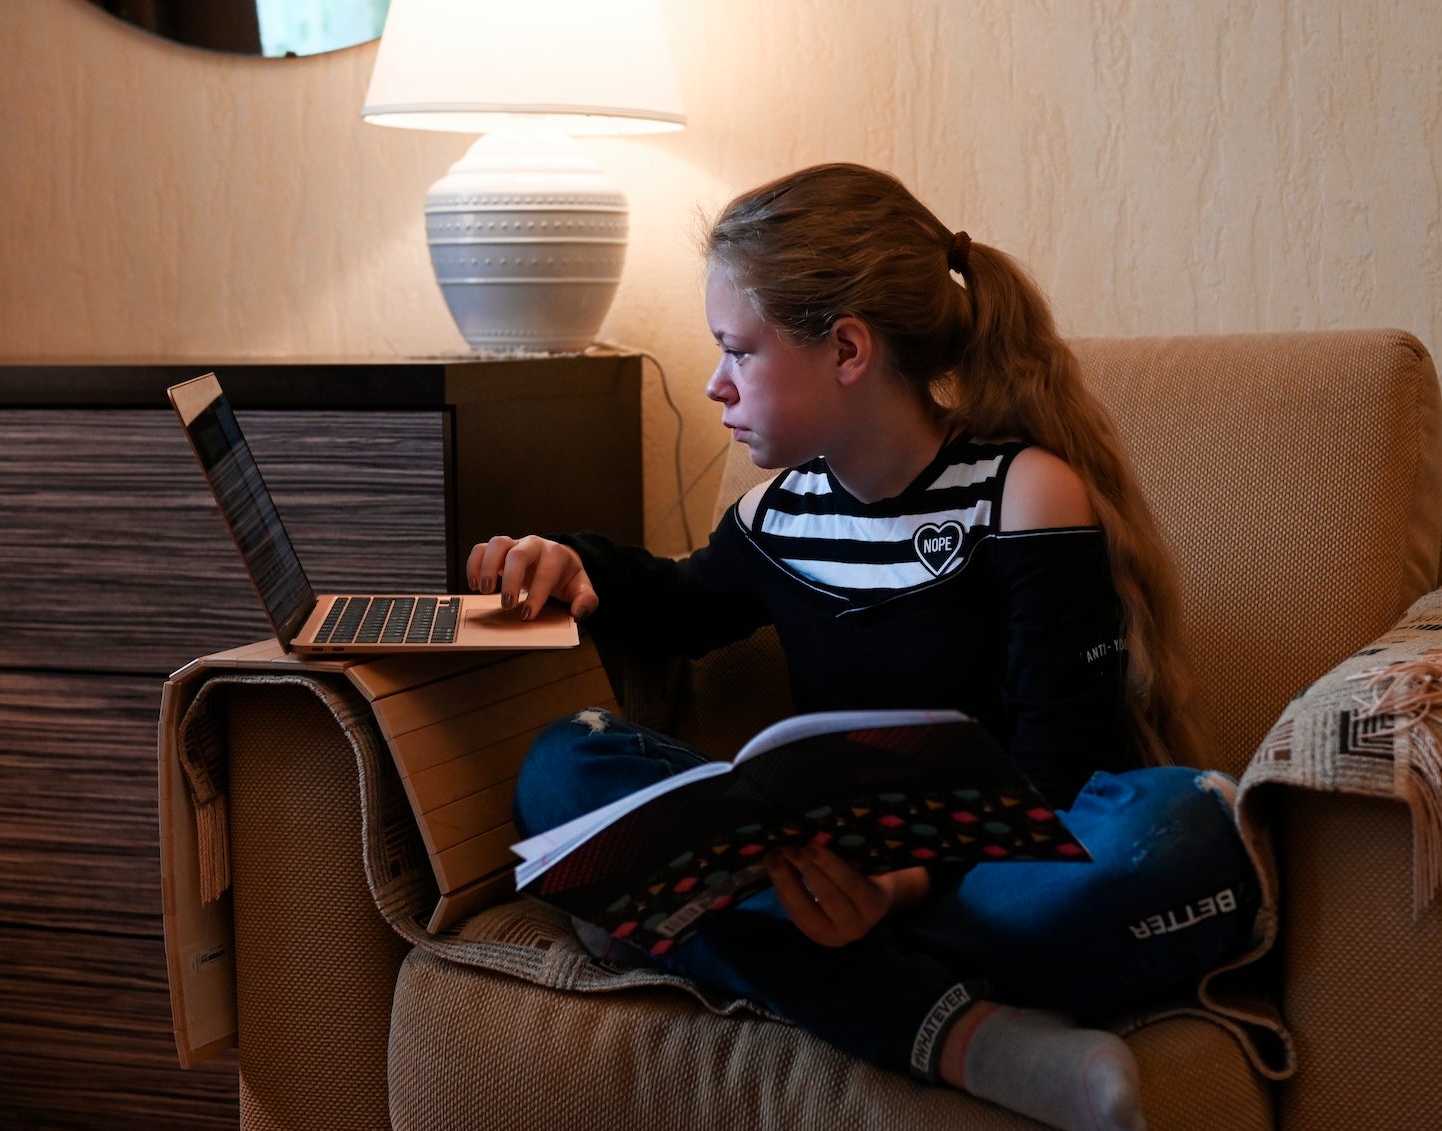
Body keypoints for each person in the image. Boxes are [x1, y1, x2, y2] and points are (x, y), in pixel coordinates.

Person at [467, 163, 1258, 1131]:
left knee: (1173, 831)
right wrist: (573, 565)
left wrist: (897, 886)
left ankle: (702, 929)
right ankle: (964, 1036)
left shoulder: (1022, 494)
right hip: (818, 881)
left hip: (989, 880)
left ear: (845, 348)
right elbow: (675, 602)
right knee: (561, 768)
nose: (714, 384)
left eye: (737, 350)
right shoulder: (776, 516)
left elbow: (1060, 766)